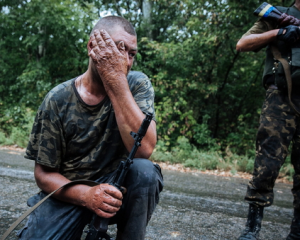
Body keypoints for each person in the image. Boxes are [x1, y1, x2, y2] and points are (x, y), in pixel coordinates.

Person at [17, 16, 163, 240]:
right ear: (92, 46)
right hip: (71, 192)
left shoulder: (136, 84)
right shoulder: (57, 99)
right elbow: (44, 174)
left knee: (145, 172)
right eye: (117, 49)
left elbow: (144, 149)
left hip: (117, 188)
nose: (124, 60)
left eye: (131, 53)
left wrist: (116, 83)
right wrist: (87, 195)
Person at [236, 1, 300, 240]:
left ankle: (297, 232)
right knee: (267, 163)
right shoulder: (279, 16)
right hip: (280, 99)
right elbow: (242, 43)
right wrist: (280, 32)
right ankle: (252, 229)